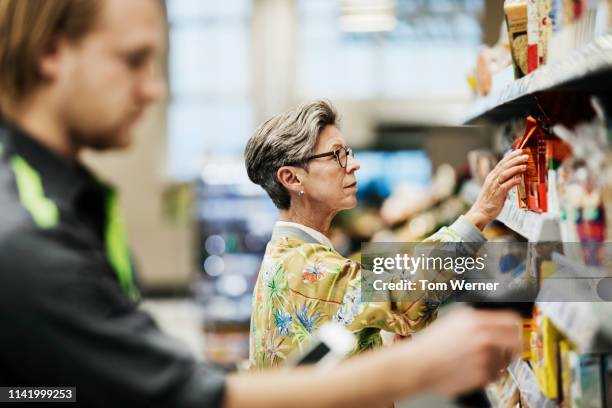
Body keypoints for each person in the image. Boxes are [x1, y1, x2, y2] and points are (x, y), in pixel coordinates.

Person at [0, 1, 523, 407]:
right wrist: (483, 227)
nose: (156, 89)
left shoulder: (77, 207)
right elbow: (387, 284)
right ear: (291, 178)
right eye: (337, 155)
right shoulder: (29, 238)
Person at [245, 100, 528, 369]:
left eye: (349, 153)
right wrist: (479, 214)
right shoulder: (303, 268)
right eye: (337, 155)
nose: (354, 165)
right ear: (292, 179)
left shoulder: (289, 255)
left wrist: (374, 345)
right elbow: (403, 293)